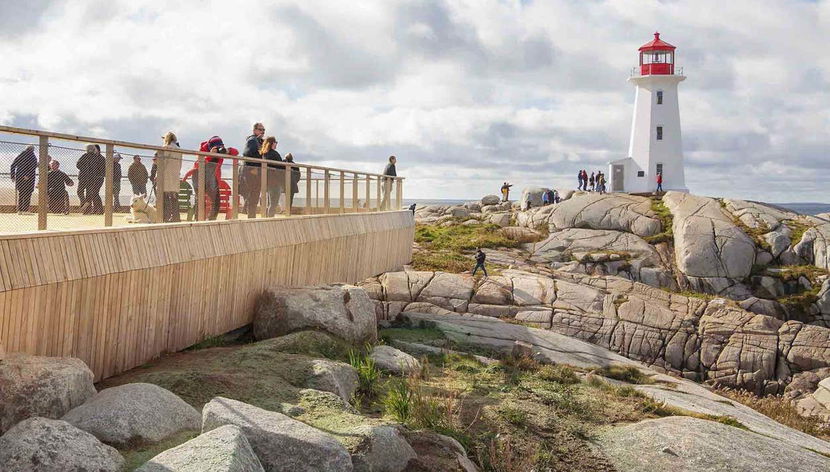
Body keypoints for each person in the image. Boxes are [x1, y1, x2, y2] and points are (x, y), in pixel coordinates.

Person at [242, 122, 266, 218]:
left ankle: (248, 213)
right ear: (254, 130)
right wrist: (254, 168)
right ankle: (251, 216)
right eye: (260, 129)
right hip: (252, 171)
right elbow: (246, 153)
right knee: (254, 194)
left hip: (255, 171)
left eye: (264, 130)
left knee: (254, 194)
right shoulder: (252, 140)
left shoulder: (258, 141)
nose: (263, 131)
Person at [159, 132, 183, 222]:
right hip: (175, 174)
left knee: (165, 196)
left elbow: (163, 162)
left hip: (166, 174)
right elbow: (180, 163)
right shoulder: (179, 149)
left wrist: (158, 174)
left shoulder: (166, 148)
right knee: (174, 196)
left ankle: (166, 216)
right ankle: (176, 216)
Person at [76, 144, 105, 214]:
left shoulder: (98, 158)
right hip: (89, 178)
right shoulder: (90, 157)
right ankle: (88, 207)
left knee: (90, 194)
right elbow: (79, 165)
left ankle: (92, 209)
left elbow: (78, 165)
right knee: (87, 194)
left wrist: (86, 170)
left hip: (93, 178)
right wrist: (88, 170)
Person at [260, 136, 284, 217]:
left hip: (266, 180)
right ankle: (269, 218)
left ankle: (266, 217)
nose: (276, 144)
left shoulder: (264, 154)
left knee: (269, 202)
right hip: (275, 181)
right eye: (276, 142)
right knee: (274, 202)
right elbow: (282, 167)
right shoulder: (274, 153)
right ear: (272, 143)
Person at [10, 145, 37, 213]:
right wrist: (27, 175)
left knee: (21, 193)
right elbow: (32, 167)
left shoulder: (20, 155)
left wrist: (13, 176)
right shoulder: (33, 156)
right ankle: (25, 210)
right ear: (33, 149)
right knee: (28, 193)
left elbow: (13, 165)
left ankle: (20, 210)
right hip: (29, 177)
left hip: (20, 176)